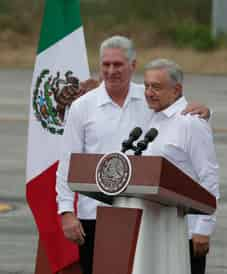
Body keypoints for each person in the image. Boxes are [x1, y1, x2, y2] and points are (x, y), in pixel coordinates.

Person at [56, 36, 211, 274]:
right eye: (105, 64)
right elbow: (68, 162)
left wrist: (205, 111)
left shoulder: (149, 97)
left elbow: (181, 120)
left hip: (145, 216)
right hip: (94, 215)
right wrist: (67, 212)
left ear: (133, 66)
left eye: (118, 64)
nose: (111, 71)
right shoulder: (82, 107)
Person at [142, 58, 219, 274]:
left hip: (185, 232)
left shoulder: (190, 122)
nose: (148, 92)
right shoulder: (152, 117)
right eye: (146, 86)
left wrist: (204, 227)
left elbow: (209, 176)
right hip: (154, 230)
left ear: (176, 90)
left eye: (155, 87)